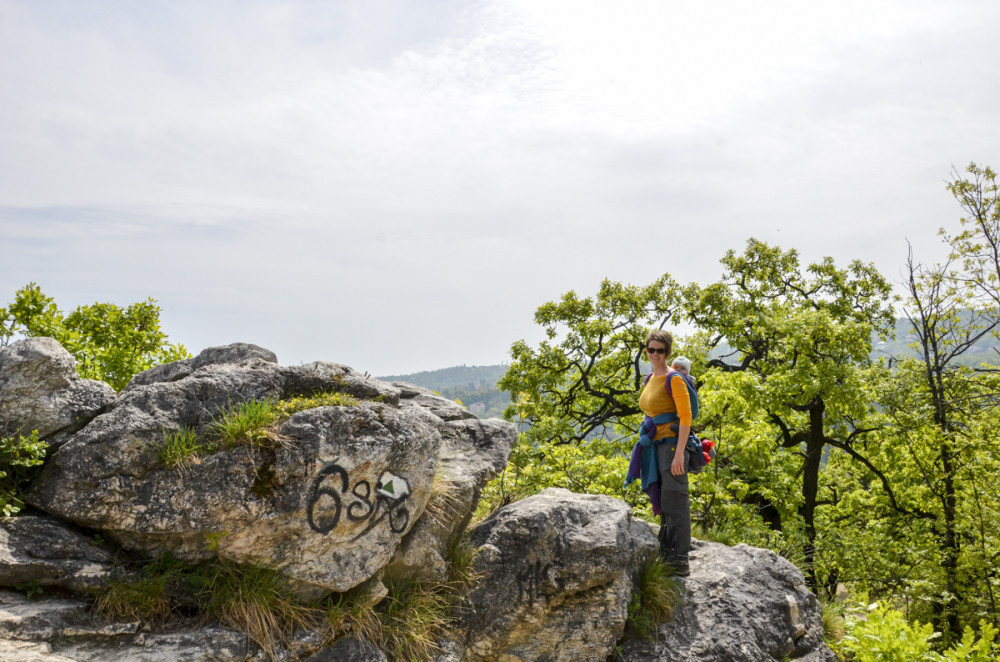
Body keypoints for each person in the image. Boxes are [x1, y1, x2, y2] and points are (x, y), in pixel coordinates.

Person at [639, 330, 693, 576]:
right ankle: (666, 550)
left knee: (675, 499)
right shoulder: (650, 377)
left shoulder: (675, 379)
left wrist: (680, 452)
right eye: (651, 349)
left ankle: (680, 559)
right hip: (656, 445)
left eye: (660, 350)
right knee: (662, 498)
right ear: (646, 350)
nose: (655, 354)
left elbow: (686, 416)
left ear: (667, 352)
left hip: (672, 445)